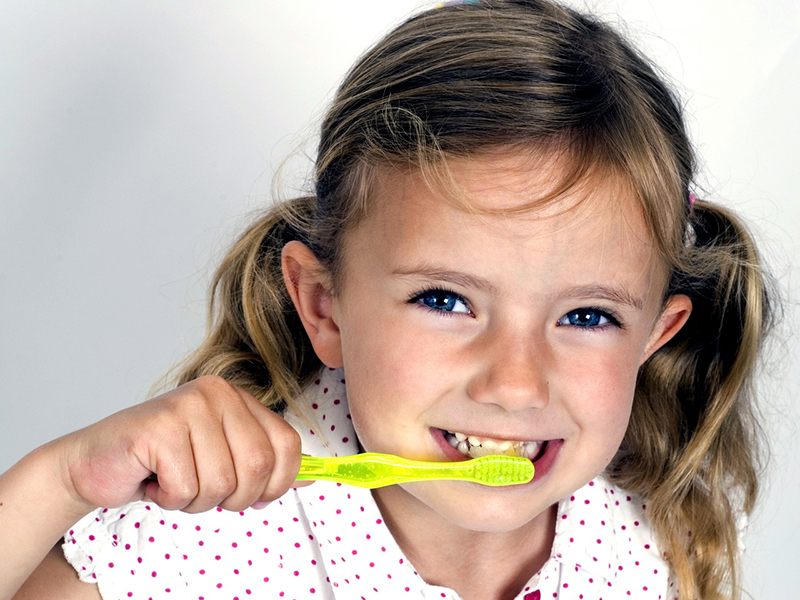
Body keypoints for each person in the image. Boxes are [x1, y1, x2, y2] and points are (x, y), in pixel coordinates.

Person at [2, 1, 774, 599]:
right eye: (444, 299)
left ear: (655, 334)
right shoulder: (204, 541)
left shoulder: (644, 545)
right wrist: (59, 482)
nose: (514, 382)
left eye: (586, 317)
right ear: (324, 307)